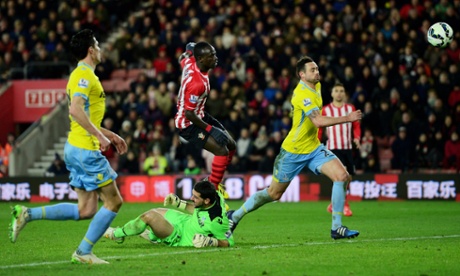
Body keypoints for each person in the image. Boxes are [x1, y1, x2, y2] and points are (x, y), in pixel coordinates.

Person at [9, 29, 127, 264]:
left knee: (86, 210)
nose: (101, 50)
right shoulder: (84, 75)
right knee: (114, 201)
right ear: (91, 50)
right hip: (85, 149)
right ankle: (83, 252)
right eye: (98, 46)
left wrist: (110, 135)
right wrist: (100, 137)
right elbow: (75, 110)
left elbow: (83, 116)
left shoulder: (82, 75)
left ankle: (27, 213)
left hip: (75, 147)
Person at [227, 56, 362, 240]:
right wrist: (347, 118)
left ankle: (336, 228)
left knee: (342, 176)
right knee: (273, 194)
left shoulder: (318, 86)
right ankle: (234, 216)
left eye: (317, 68)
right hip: (293, 151)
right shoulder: (301, 94)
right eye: (312, 70)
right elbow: (318, 121)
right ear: (302, 74)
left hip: (313, 148)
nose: (317, 72)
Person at [174, 41, 236, 198]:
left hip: (199, 114)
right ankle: (212, 192)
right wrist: (211, 129)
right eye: (211, 56)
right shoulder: (197, 83)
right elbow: (189, 114)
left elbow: (184, 56)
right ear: (201, 59)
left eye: (214, 54)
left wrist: (189, 48)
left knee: (231, 144)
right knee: (222, 150)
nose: (216, 58)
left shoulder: (191, 62)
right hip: (188, 124)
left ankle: (216, 181)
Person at [103, 180, 234, 248]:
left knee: (149, 216)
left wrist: (212, 242)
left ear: (206, 200)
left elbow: (229, 241)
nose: (191, 198)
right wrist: (178, 203)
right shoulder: (213, 195)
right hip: (185, 220)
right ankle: (155, 237)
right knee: (156, 211)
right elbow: (197, 210)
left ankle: (116, 235)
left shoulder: (217, 221)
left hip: (180, 236)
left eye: (195, 197)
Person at [318, 83, 361, 217]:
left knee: (349, 177)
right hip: (333, 148)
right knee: (342, 177)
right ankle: (345, 205)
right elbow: (320, 127)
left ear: (344, 94)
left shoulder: (350, 108)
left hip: (347, 147)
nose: (339, 93)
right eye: (336, 90)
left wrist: (357, 138)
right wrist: (317, 142)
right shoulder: (325, 110)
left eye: (341, 91)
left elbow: (356, 125)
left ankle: (333, 204)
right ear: (331, 94)